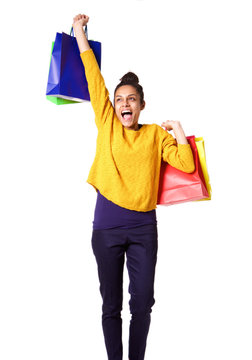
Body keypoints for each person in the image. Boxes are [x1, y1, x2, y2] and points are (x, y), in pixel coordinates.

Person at [73, 14, 195, 360]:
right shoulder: (107, 122)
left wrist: (179, 131)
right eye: (119, 99)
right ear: (114, 105)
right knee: (111, 304)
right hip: (107, 227)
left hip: (143, 227)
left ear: (142, 105)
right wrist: (80, 33)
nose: (124, 104)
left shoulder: (156, 134)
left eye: (131, 100)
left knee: (142, 302)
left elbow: (186, 164)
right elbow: (93, 78)